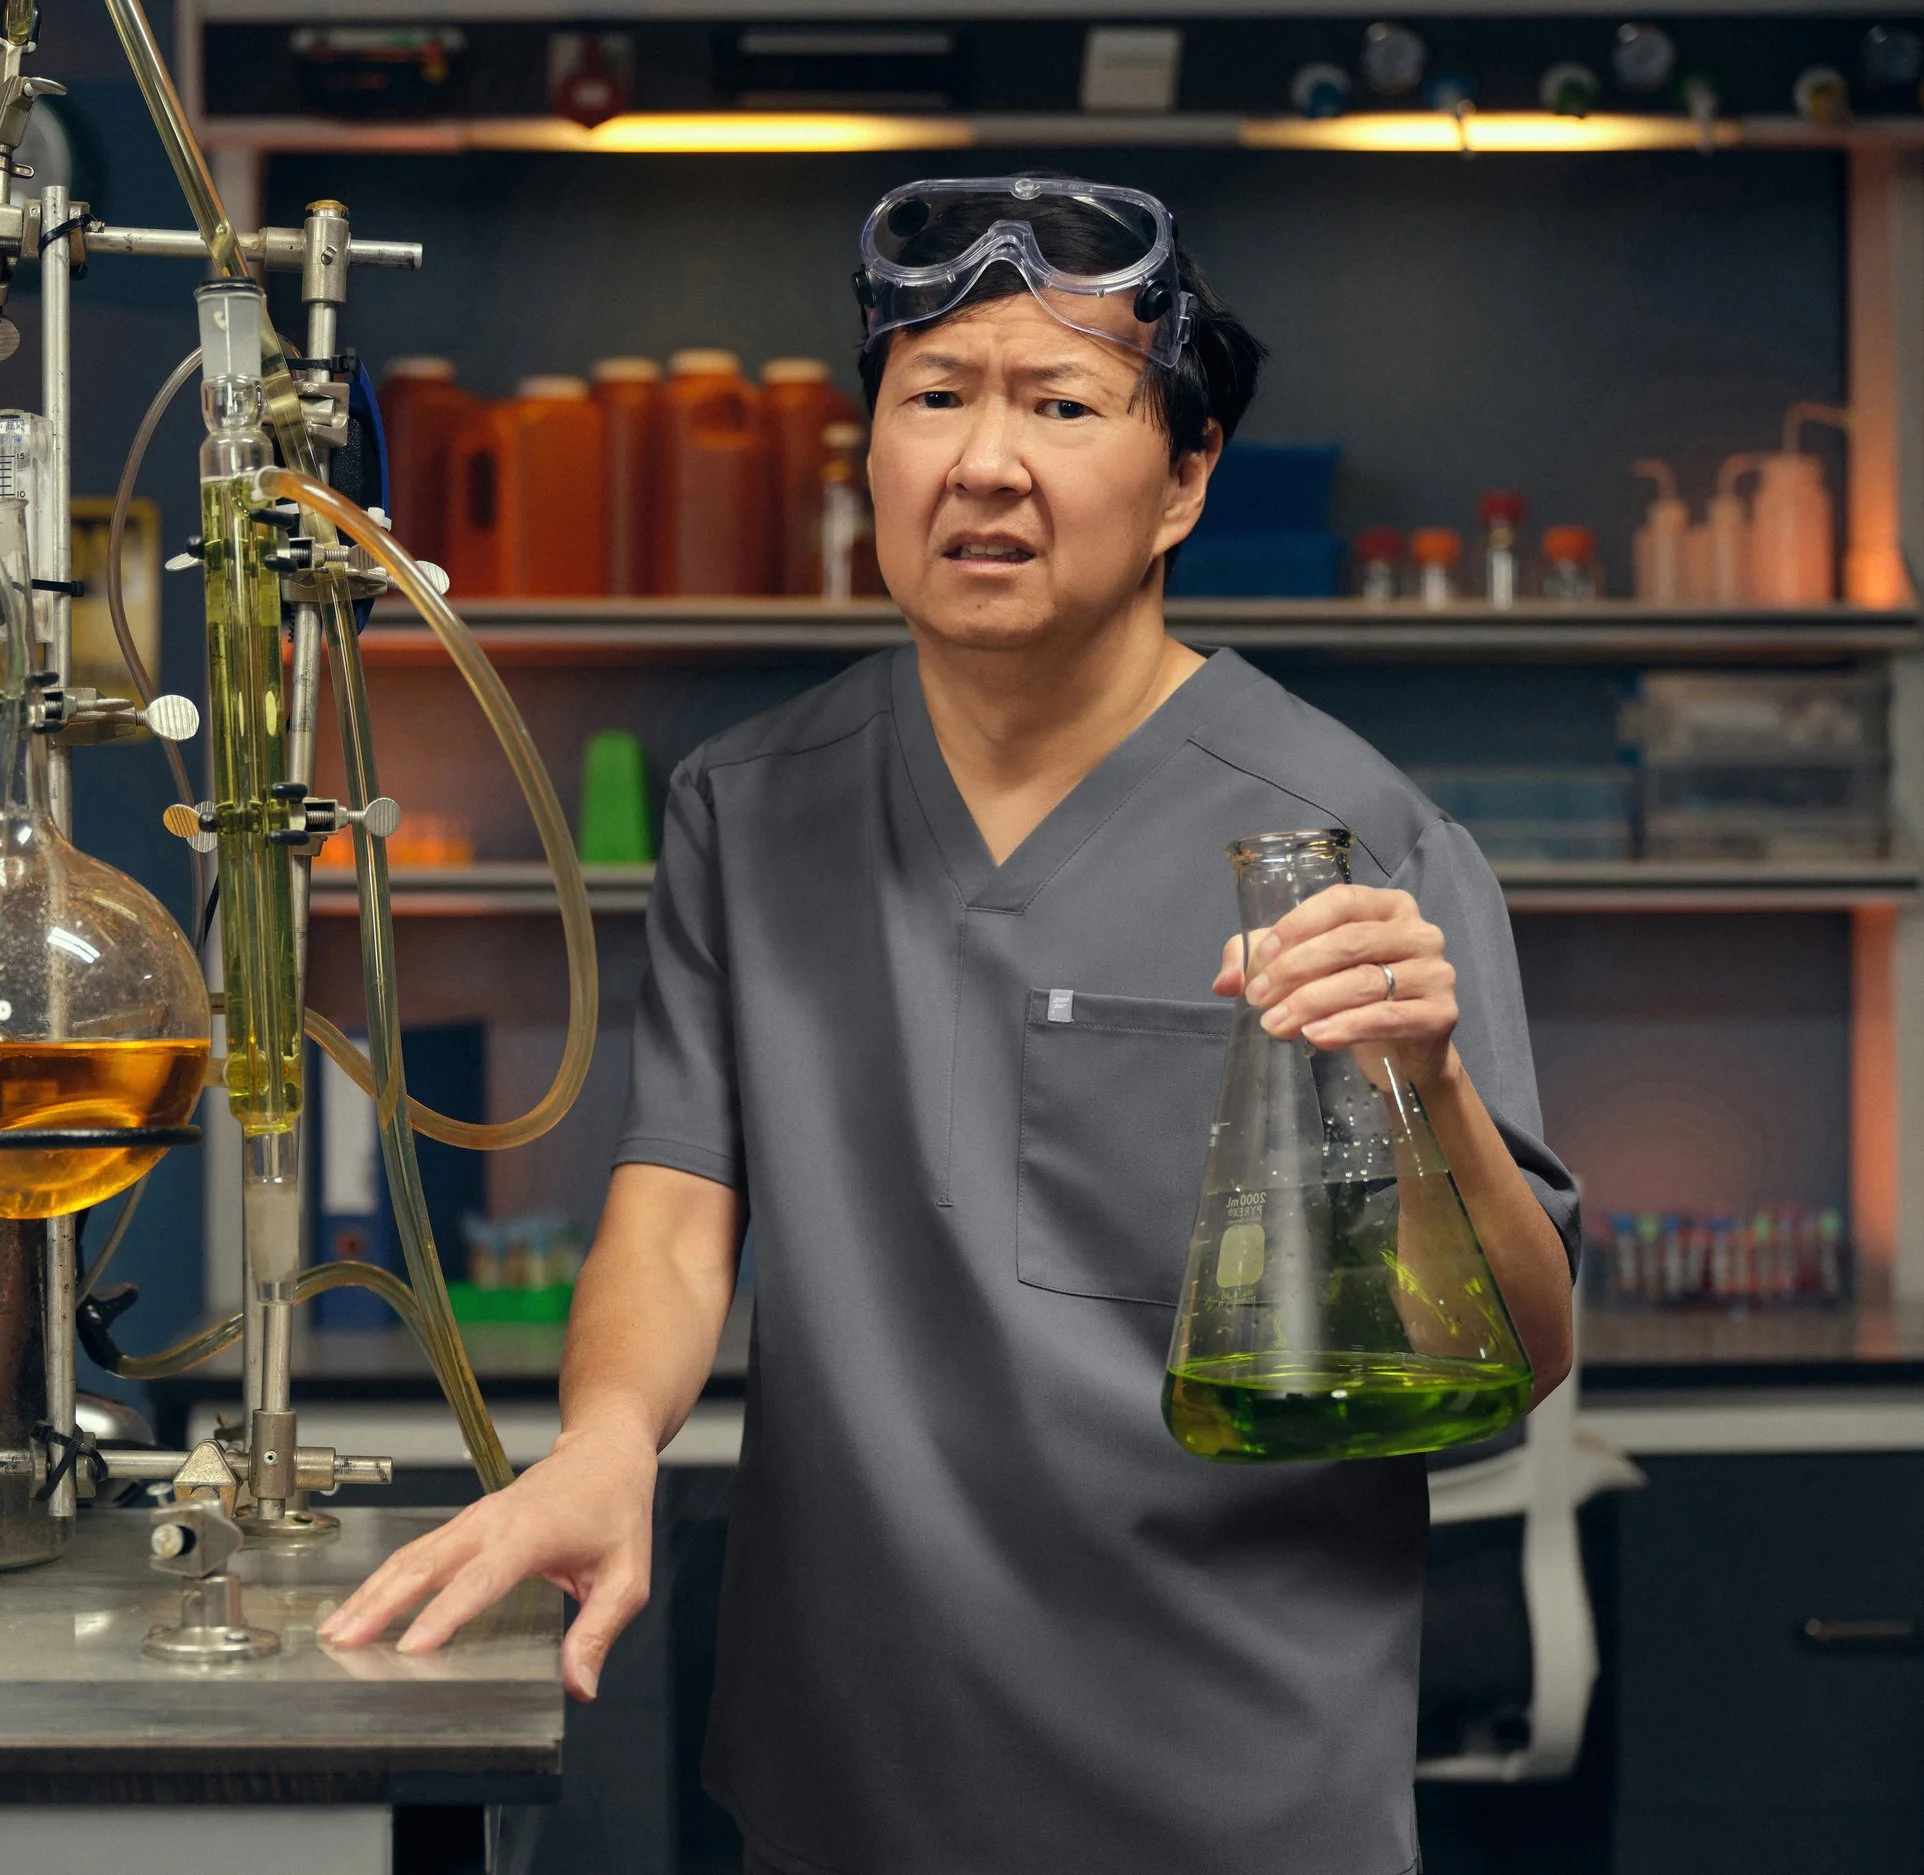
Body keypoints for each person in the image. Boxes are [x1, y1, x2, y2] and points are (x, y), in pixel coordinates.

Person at [320, 174, 1579, 1874]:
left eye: (1063, 405)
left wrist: (1424, 1087)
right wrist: (604, 1444)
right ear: (875, 454)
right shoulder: (750, 812)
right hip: (845, 1781)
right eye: (936, 398)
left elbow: (1525, 1344)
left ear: (1184, 481)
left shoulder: (1350, 836)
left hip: (1228, 1792)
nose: (987, 462)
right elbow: (680, 1211)